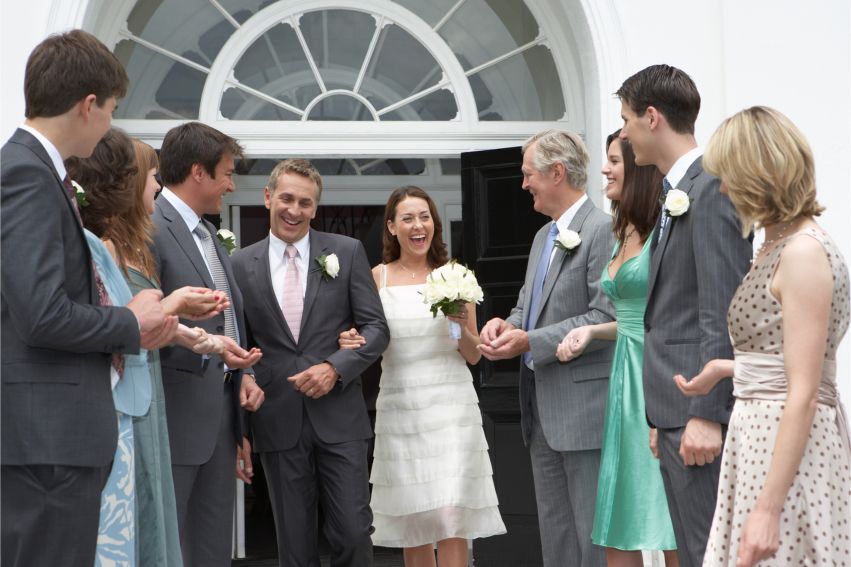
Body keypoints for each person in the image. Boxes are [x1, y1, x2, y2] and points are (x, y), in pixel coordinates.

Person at [0, 30, 173, 567]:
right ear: (88, 104)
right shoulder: (26, 174)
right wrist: (128, 322)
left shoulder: (33, 170)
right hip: (46, 440)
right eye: (113, 109)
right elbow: (40, 314)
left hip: (50, 437)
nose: (110, 125)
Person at [674, 106, 850, 567]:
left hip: (785, 449)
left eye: (730, 176)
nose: (725, 189)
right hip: (756, 441)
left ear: (761, 173)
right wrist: (729, 368)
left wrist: (768, 509)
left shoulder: (804, 253)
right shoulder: (777, 244)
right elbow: (786, 356)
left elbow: (805, 391)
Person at [614, 65, 752, 567]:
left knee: (705, 554)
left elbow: (722, 310)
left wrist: (706, 414)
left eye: (627, 120)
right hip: (673, 411)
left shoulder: (711, 189)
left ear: (652, 118)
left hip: (697, 414)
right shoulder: (678, 192)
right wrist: (664, 413)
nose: (624, 133)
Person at [231, 158, 389, 567]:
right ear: (268, 197)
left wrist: (336, 366)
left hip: (339, 417)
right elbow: (236, 347)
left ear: (315, 208)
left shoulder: (347, 252)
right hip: (277, 418)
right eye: (286, 198)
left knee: (354, 533)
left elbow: (376, 328)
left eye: (305, 202)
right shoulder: (238, 265)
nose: (294, 210)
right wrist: (241, 428)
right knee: (294, 546)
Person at [338, 186, 506, 566]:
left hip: (451, 407)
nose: (418, 226)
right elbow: (366, 340)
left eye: (425, 217)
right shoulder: (375, 278)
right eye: (409, 218)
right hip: (401, 405)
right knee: (414, 517)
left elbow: (473, 355)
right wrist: (349, 339)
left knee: (450, 515)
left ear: (435, 224)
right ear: (392, 227)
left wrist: (460, 325)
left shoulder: (455, 276)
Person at [478, 129, 615, 567]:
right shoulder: (542, 237)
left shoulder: (603, 229)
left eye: (528, 174)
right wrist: (506, 325)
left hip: (583, 411)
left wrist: (530, 341)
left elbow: (602, 317)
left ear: (557, 172)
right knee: (555, 537)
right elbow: (527, 306)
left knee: (592, 539)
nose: (523, 185)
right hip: (539, 410)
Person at [556, 131, 678, 567]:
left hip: (656, 374)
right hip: (622, 378)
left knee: (666, 513)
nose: (603, 169)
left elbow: (662, 316)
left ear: (638, 168)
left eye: (613, 161)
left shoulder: (667, 228)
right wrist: (592, 333)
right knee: (618, 517)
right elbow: (629, 316)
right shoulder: (618, 228)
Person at [153, 121, 264, 567]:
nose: (231, 185)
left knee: (213, 544)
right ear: (198, 172)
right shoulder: (150, 228)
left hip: (221, 415)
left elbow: (228, 321)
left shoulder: (212, 236)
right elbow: (142, 321)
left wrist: (244, 371)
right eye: (226, 173)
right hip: (173, 415)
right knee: (170, 544)